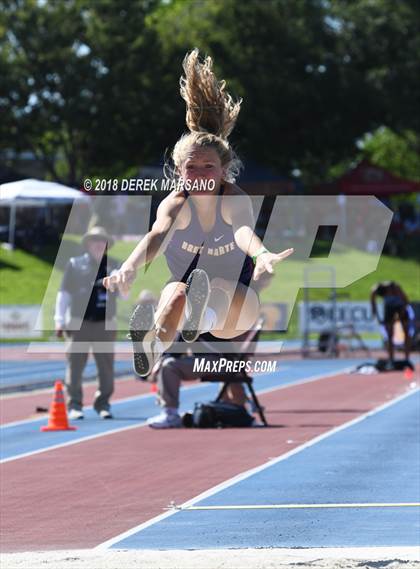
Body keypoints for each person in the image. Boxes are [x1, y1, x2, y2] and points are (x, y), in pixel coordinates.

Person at [103, 49, 293, 427]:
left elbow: (241, 231)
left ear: (224, 171)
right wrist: (127, 268)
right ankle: (153, 345)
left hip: (233, 304)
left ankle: (194, 318)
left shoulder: (233, 198)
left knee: (215, 285)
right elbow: (157, 235)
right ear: (179, 171)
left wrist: (263, 255)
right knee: (176, 292)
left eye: (210, 167)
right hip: (187, 298)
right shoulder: (176, 202)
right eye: (193, 168)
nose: (202, 174)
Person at [55, 226, 118, 420]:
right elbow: (63, 294)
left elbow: (124, 295)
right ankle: (75, 405)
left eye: (102, 240)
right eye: (95, 240)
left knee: (106, 366)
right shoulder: (74, 264)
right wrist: (59, 320)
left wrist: (122, 282)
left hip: (104, 323)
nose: (99, 244)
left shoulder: (115, 265)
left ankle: (103, 404)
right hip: (78, 322)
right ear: (88, 243)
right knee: (75, 365)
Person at [370, 281, 412, 365]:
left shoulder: (396, 287)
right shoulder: (375, 290)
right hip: (389, 308)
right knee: (389, 335)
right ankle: (391, 358)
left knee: (406, 332)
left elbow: (406, 301)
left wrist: (401, 315)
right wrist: (377, 317)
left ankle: (407, 358)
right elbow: (373, 304)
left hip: (401, 306)